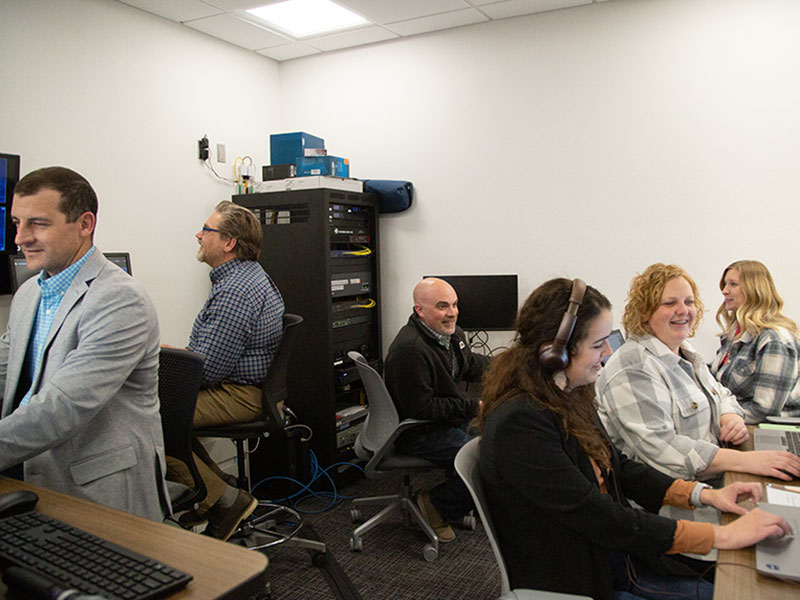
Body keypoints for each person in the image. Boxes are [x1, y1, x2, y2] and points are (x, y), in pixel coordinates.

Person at [478, 278, 792, 600]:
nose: (608, 351)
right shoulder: (522, 423)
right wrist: (720, 536)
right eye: (598, 343)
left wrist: (705, 496)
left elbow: (621, 468)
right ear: (554, 353)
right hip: (590, 578)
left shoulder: (566, 394)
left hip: (619, 556)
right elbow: (600, 517)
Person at [0, 166, 166, 520]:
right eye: (17, 223)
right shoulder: (30, 293)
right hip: (29, 472)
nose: (19, 238)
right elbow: (5, 369)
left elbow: (64, 406)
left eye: (38, 224)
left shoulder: (120, 300)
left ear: (84, 224)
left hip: (95, 491)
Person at [596, 264, 800, 532]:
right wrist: (748, 460)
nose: (684, 311)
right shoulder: (633, 368)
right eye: (670, 303)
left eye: (689, 301)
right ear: (645, 312)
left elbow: (721, 391)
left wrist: (729, 415)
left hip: (720, 484)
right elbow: (664, 451)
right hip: (681, 516)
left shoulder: (683, 350)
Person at [167, 200, 284, 541]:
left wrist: (168, 366)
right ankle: (219, 485)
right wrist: (180, 356)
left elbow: (208, 372)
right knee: (169, 415)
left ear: (228, 242)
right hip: (249, 388)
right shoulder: (243, 278)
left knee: (150, 416)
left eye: (206, 230)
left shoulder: (235, 290)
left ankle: (222, 500)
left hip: (241, 394)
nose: (198, 236)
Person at [384, 277, 489, 542]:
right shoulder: (410, 350)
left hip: (445, 419)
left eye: (454, 305)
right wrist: (473, 406)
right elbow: (422, 408)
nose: (451, 312)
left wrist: (511, 369)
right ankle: (435, 504)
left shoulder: (451, 335)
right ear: (420, 310)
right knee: (486, 459)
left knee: (503, 437)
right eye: (443, 306)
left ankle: (465, 497)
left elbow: (470, 364)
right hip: (419, 431)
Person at [710, 260, 800, 423]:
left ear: (754, 289)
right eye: (724, 284)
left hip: (762, 433)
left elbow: (764, 412)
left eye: (733, 284)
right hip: (737, 427)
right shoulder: (735, 334)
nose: (724, 291)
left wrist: (718, 418)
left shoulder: (774, 339)